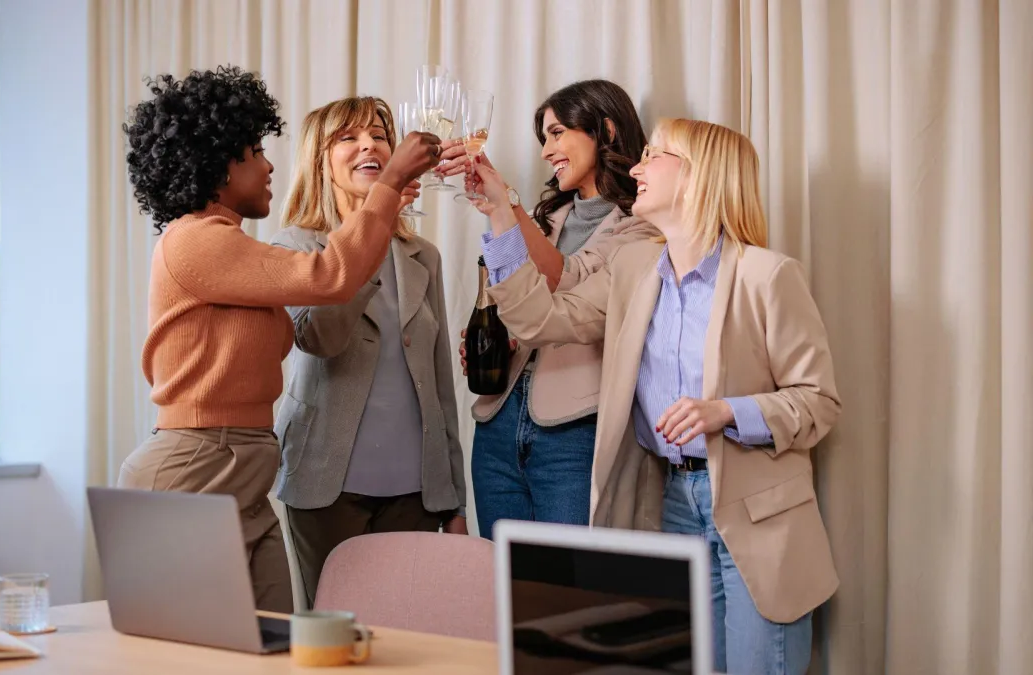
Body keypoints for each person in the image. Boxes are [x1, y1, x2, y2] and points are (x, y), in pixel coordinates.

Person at [482, 118, 841, 674]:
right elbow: (539, 319)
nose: (635, 166)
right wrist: (499, 215)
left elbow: (818, 403)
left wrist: (726, 412)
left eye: (655, 155)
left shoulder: (768, 277)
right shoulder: (632, 268)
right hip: (669, 507)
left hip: (759, 520)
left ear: (700, 175)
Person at [116, 66, 441, 613]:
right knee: (186, 654)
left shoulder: (234, 247)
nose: (269, 165)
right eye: (254, 151)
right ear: (217, 162)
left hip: (245, 462)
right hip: (196, 463)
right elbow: (328, 277)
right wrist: (387, 188)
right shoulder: (196, 240)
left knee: (273, 643)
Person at [435, 80, 658, 539]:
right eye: (545, 137)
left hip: (574, 431)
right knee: (502, 581)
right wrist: (492, 342)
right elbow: (518, 305)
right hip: (497, 422)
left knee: (564, 588)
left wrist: (504, 203)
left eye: (557, 133)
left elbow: (566, 278)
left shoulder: (643, 230)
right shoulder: (544, 221)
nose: (546, 150)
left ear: (607, 131)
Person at [270, 96, 468, 608]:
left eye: (380, 134)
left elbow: (441, 382)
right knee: (338, 638)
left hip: (416, 491)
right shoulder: (294, 245)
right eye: (349, 137)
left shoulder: (424, 255)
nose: (369, 145)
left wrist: (454, 498)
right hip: (324, 484)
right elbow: (321, 339)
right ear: (321, 160)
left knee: (407, 637)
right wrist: (368, 238)